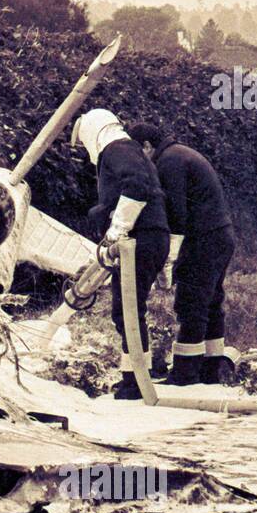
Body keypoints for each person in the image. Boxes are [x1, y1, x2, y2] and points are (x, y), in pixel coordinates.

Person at [126, 122, 236, 385]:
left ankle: (185, 373)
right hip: (220, 235)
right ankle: (210, 368)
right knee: (210, 302)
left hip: (203, 240)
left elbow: (176, 215)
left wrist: (168, 257)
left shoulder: (168, 163)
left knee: (191, 303)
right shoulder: (180, 153)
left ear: (147, 147)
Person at [71, 109, 169, 400]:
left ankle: (136, 382)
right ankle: (135, 376)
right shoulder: (128, 149)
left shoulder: (117, 149)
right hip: (149, 236)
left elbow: (136, 187)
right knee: (129, 309)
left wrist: (116, 231)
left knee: (127, 309)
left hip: (140, 239)